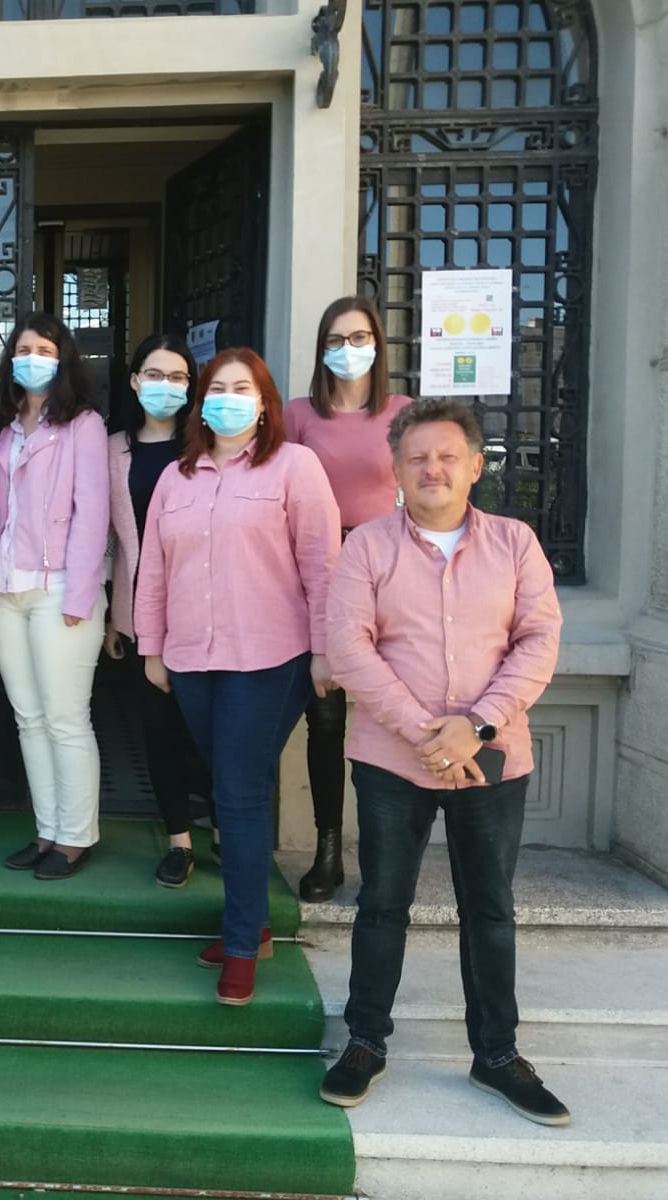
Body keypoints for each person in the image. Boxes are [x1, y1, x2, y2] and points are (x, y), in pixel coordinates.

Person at [320, 397, 567, 1126]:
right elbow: (350, 648)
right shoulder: (366, 547)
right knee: (381, 904)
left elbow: (539, 640)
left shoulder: (516, 543)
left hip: (493, 759)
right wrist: (430, 734)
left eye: (447, 456)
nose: (433, 468)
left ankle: (497, 1054)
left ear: (476, 466)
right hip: (391, 762)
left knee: (488, 908)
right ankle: (365, 1041)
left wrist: (477, 727)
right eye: (417, 457)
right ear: (396, 470)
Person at [134, 348, 340, 1005]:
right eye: (216, 389)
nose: (228, 399)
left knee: (239, 793)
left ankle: (243, 946)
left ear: (264, 403)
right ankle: (252, 923)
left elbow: (322, 564)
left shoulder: (295, 467)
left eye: (241, 388)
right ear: (201, 405)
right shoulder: (177, 478)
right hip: (192, 658)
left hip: (271, 658)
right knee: (229, 789)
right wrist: (152, 647)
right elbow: (153, 568)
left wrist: (325, 650)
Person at [284, 297, 415, 902]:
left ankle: (387, 855)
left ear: (378, 344)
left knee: (391, 713)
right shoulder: (298, 415)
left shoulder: (403, 412)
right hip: (316, 571)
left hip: (385, 571)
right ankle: (328, 850)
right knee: (326, 718)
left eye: (359, 337)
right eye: (335, 339)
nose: (347, 349)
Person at [0, 312, 110, 880]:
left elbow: (93, 514)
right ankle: (47, 830)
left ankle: (76, 836)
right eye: (23, 348)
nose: (31, 358)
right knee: (29, 719)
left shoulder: (83, 425)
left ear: (63, 360)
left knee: (65, 718)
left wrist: (80, 595)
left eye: (44, 349)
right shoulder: (6, 429)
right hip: (3, 588)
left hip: (59, 588)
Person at [104, 333, 211, 888]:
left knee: (209, 728)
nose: (164, 386)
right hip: (137, 612)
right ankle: (178, 839)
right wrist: (110, 614)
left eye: (176, 377)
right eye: (154, 374)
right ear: (134, 380)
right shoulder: (112, 448)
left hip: (203, 611)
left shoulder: (208, 447)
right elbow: (106, 536)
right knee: (159, 727)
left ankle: (225, 822)